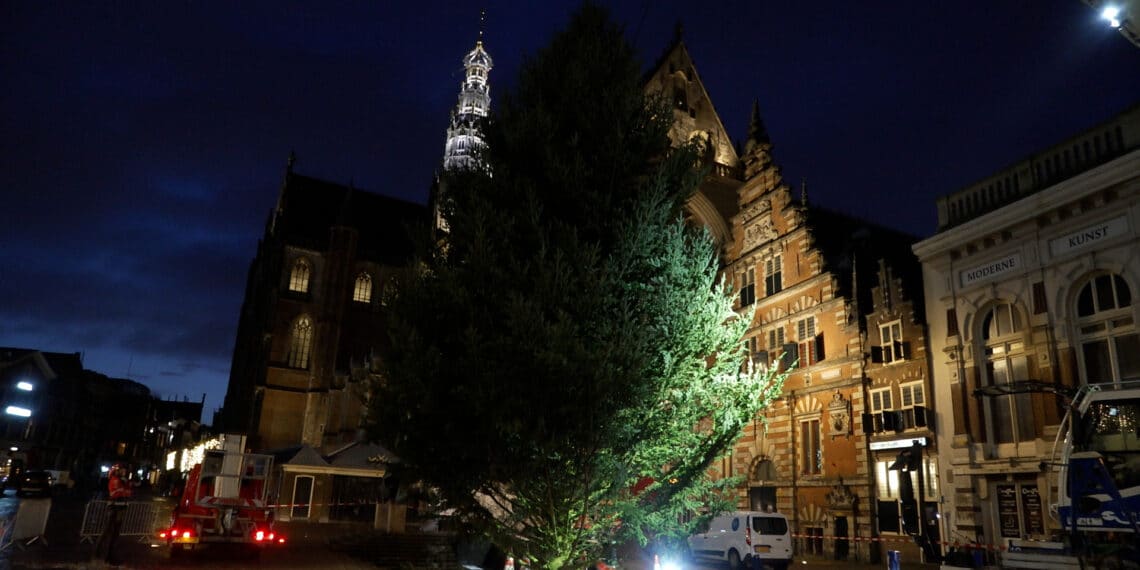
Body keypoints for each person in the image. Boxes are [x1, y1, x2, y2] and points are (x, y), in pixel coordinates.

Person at [93, 464, 133, 564]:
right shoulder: (115, 480)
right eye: (122, 470)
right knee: (108, 531)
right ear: (117, 471)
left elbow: (129, 492)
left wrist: (125, 489)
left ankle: (109, 555)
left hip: (121, 508)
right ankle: (99, 553)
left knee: (115, 533)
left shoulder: (123, 481)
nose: (124, 472)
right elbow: (118, 493)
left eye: (125, 470)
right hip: (114, 508)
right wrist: (124, 489)